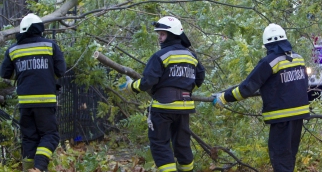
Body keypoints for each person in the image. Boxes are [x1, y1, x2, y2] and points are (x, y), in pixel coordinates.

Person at [212, 23, 310, 171]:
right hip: (299, 115)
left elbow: (247, 88)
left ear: (267, 44)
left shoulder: (269, 61)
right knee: (289, 158)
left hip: (282, 117)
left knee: (280, 159)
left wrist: (224, 97)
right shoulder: (298, 58)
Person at [121, 16, 205, 172]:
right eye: (159, 33)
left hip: (163, 108)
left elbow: (147, 82)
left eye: (162, 34)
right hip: (185, 107)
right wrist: (184, 86)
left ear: (172, 34)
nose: (159, 37)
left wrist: (131, 86)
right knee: (182, 144)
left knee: (160, 144)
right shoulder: (191, 56)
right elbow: (200, 78)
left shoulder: (161, 56)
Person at [0, 13, 66, 172]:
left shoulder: (13, 50)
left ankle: (28, 168)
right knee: (50, 135)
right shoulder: (50, 46)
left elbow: (4, 74)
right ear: (39, 28)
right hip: (45, 101)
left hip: (25, 102)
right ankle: (39, 167)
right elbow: (61, 70)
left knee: (29, 137)